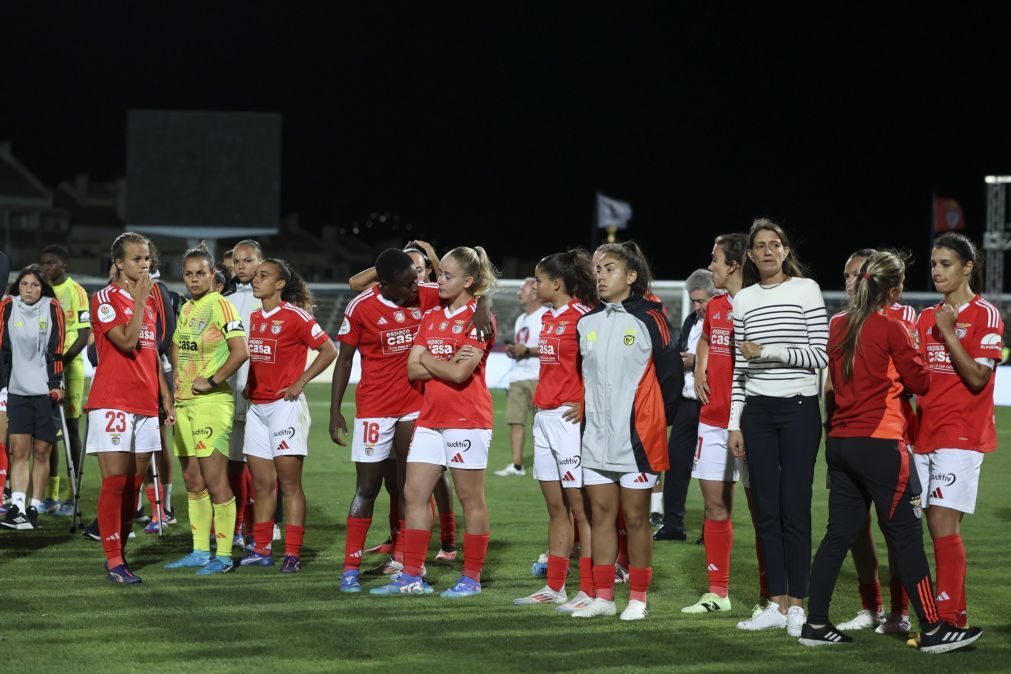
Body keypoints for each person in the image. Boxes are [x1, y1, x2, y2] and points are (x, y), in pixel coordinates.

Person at [802, 250, 983, 652]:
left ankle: (815, 623)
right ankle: (934, 629)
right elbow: (921, 382)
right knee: (906, 536)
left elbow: (834, 385)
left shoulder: (840, 326)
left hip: (842, 443)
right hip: (882, 443)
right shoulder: (892, 329)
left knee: (838, 536)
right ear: (896, 289)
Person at [371, 246, 498, 598]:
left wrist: (429, 358)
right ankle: (411, 575)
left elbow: (460, 375)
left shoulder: (479, 318)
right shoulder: (432, 317)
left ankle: (471, 578)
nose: (438, 280)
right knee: (414, 494)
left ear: (468, 281)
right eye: (440, 274)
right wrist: (436, 362)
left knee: (470, 498)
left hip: (467, 419)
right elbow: (413, 368)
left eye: (447, 275)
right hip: (430, 419)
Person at [572, 241, 681, 621]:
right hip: (595, 438)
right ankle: (603, 596)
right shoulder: (586, 323)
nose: (600, 275)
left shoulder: (651, 319)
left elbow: (670, 379)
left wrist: (653, 423)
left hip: (638, 441)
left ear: (631, 276)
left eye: (610, 268)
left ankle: (638, 598)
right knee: (601, 517)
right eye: (598, 269)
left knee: (636, 519)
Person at [729, 219, 827, 636]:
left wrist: (766, 351)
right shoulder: (743, 300)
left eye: (776, 245)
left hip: (800, 408)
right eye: (760, 247)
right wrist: (735, 422)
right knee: (766, 509)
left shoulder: (807, 290)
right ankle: (776, 602)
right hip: (757, 412)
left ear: (785, 251)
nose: (768, 251)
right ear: (750, 256)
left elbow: (819, 356)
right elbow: (739, 369)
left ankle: (798, 607)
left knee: (794, 507)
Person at [330, 248, 443, 592]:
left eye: (417, 281)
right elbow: (345, 359)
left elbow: (466, 293)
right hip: (375, 408)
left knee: (411, 487)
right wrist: (336, 409)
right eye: (408, 284)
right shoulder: (361, 306)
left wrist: (482, 305)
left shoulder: (422, 294)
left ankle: (406, 561)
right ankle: (350, 566)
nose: (416, 289)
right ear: (386, 284)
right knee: (367, 488)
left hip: (414, 404)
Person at [914, 232, 1003, 630]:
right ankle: (952, 616)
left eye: (945, 264)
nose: (936, 271)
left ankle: (948, 619)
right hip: (923, 433)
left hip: (962, 435)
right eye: (933, 264)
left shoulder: (985, 314)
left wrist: (950, 333)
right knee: (930, 523)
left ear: (967, 267)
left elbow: (979, 378)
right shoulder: (926, 317)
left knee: (941, 523)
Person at [828, 248, 917, 634]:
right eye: (846, 275)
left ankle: (900, 611)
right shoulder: (839, 322)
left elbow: (915, 383)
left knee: (893, 525)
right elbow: (831, 386)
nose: (849, 282)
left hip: (890, 435)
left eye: (856, 275)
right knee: (854, 528)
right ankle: (872, 607)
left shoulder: (901, 318)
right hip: (848, 435)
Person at [681, 233, 768, 616]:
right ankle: (718, 592)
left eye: (715, 260)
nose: (710, 266)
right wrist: (700, 366)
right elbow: (705, 341)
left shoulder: (761, 304)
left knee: (761, 509)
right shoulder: (715, 306)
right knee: (715, 505)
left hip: (750, 422)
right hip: (712, 420)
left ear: (734, 264)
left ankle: (772, 594)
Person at [85, 232, 175, 583]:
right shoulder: (105, 298)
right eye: (137, 259)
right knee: (116, 482)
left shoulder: (150, 303)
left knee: (134, 484)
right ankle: (113, 560)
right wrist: (138, 301)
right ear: (120, 264)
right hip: (113, 401)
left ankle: (120, 554)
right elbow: (125, 341)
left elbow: (151, 353)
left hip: (145, 403)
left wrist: (164, 394)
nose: (145, 264)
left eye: (147, 259)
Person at [239, 259, 336, 573]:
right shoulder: (254, 317)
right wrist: (251, 384)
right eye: (256, 276)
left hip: (285, 408)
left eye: (263, 276)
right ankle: (263, 549)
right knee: (262, 485)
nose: (256, 280)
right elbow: (260, 358)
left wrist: (301, 381)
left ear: (280, 284)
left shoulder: (295, 316)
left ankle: (292, 553)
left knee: (290, 485)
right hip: (257, 408)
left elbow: (329, 350)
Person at [513, 250, 596, 611]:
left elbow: (599, 366)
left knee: (581, 510)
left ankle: (590, 590)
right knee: (555, 508)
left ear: (557, 284)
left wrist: (586, 403)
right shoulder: (548, 319)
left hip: (568, 420)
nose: (535, 285)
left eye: (540, 279)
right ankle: (555, 587)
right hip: (544, 419)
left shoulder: (583, 318)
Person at [163, 244, 250, 575]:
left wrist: (212, 380)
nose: (194, 279)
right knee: (192, 479)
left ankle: (225, 556)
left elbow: (239, 351)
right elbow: (176, 346)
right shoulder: (186, 308)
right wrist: (175, 388)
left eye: (201, 273)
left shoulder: (221, 306)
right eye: (189, 274)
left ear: (213, 275)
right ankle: (200, 551)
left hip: (211, 403)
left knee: (215, 480)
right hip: (185, 404)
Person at [0, 265, 65, 530]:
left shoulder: (52, 307)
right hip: (17, 390)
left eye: (35, 285)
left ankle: (34, 507)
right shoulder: (7, 305)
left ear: (42, 287)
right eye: (25, 284)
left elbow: (56, 348)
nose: (30, 289)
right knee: (19, 451)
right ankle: (17, 506)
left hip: (45, 392)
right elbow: (2, 347)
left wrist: (57, 384)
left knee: (42, 452)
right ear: (18, 286)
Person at [653, 269, 716, 540]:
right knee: (676, 463)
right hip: (687, 403)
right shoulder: (692, 321)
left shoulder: (729, 319)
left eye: (701, 301)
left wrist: (699, 363)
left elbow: (732, 362)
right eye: (694, 301)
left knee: (711, 470)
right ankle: (673, 524)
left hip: (712, 403)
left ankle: (710, 529)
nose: (697, 307)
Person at [38, 245, 90, 517]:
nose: (47, 268)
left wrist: (63, 361)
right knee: (50, 432)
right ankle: (51, 496)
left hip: (70, 369)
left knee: (71, 429)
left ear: (64, 264)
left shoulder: (76, 291)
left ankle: (73, 496)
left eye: (52, 263)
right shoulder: (41, 291)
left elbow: (84, 334)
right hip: (46, 369)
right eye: (44, 263)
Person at [224, 240, 265, 548]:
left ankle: (258, 530)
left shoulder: (271, 299)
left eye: (247, 260)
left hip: (262, 394)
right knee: (234, 462)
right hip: (230, 393)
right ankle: (236, 528)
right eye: (237, 261)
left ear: (261, 262)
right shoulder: (225, 300)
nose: (240, 266)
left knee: (261, 465)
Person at [494, 278, 547, 477]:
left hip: (538, 376)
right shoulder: (520, 319)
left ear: (535, 292)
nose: (519, 293)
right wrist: (514, 351)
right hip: (518, 376)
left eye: (523, 289)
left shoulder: (545, 316)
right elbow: (523, 347)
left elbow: (550, 347)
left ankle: (544, 464)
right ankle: (517, 465)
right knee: (515, 422)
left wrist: (525, 350)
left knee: (540, 424)